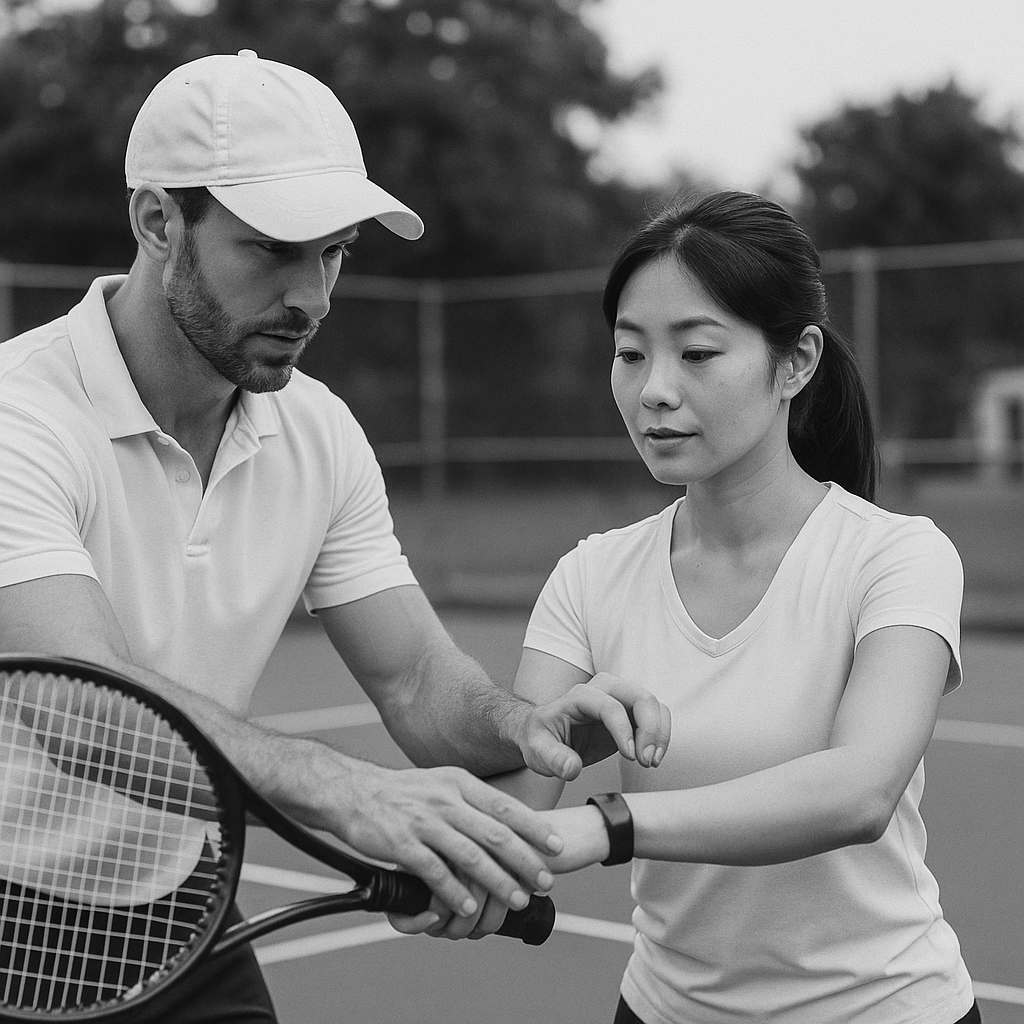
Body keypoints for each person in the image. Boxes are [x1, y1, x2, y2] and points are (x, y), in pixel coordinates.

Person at [0, 51, 670, 1022]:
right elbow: (83, 705)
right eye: (273, 249)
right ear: (157, 222)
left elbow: (412, 681)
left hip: (179, 910)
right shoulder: (17, 416)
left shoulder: (316, 431)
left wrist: (516, 721)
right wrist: (345, 790)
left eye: (335, 251)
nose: (313, 294)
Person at [488, 190, 980, 1023]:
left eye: (698, 353)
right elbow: (511, 821)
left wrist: (612, 824)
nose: (655, 391)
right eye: (630, 354)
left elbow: (858, 791)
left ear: (796, 362)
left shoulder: (897, 555)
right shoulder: (589, 576)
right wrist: (504, 794)